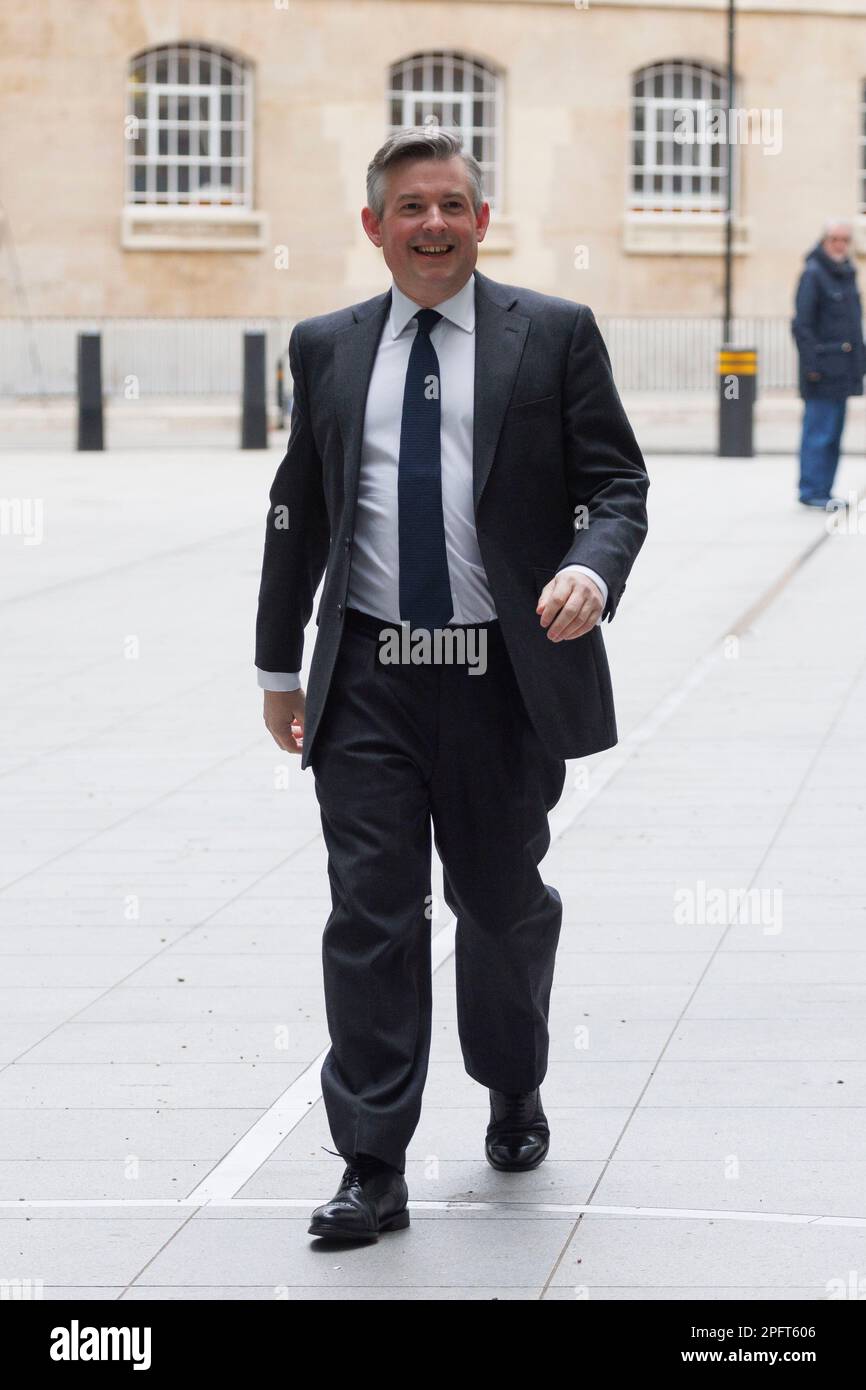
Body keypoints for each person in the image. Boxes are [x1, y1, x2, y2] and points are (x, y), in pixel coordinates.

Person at [254, 126, 649, 1242]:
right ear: (373, 226)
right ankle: (370, 1163)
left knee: (499, 904)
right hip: (370, 672)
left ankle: (511, 1075)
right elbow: (302, 508)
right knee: (369, 914)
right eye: (411, 207)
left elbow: (616, 484)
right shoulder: (326, 346)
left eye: (453, 205)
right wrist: (278, 663)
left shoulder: (555, 336)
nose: (434, 224)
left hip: (497, 676)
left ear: (483, 221)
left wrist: (587, 565)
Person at [791, 219, 866, 507]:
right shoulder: (814, 274)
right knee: (818, 434)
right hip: (821, 373)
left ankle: (824, 491)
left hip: (843, 372)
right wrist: (812, 367)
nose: (840, 244)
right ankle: (811, 491)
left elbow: (852, 327)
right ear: (824, 240)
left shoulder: (846, 274)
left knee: (833, 436)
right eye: (835, 239)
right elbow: (802, 326)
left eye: (845, 240)